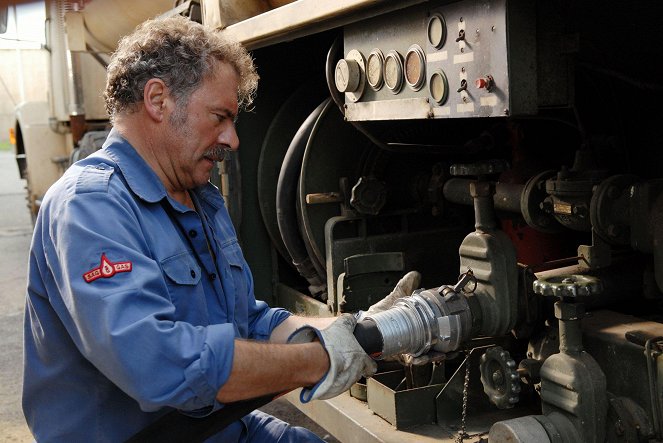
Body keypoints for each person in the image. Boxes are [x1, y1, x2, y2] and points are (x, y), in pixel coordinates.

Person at [22, 15, 422, 442]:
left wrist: (358, 329)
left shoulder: (197, 197)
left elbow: (247, 322)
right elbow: (159, 365)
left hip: (213, 428)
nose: (231, 139)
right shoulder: (91, 205)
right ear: (158, 100)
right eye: (219, 117)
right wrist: (319, 361)